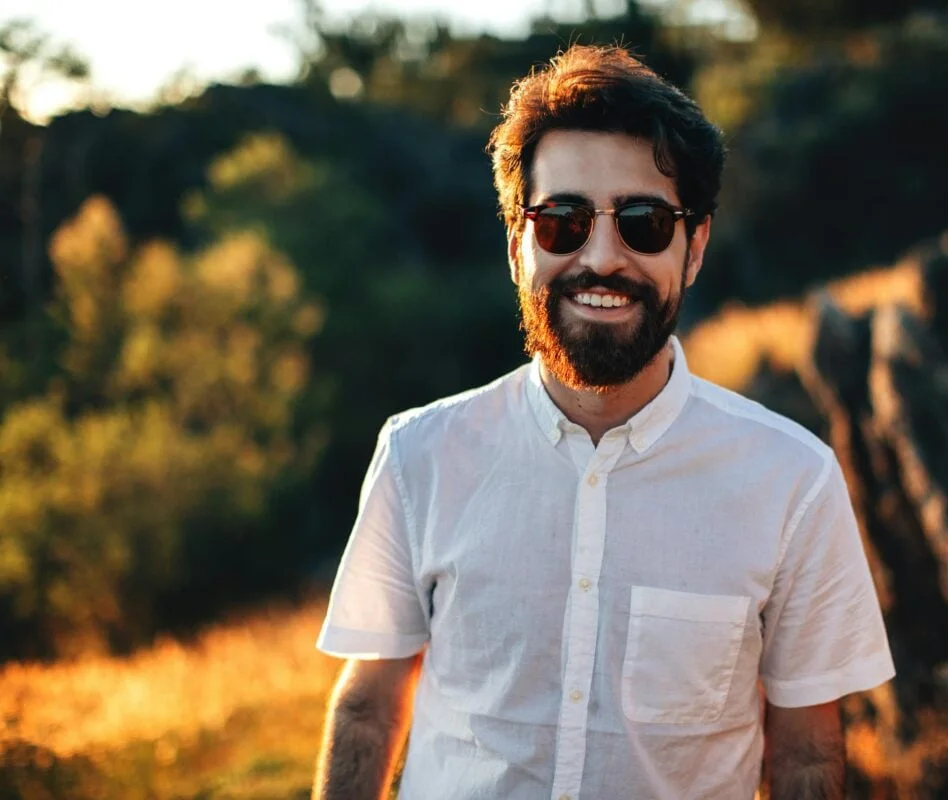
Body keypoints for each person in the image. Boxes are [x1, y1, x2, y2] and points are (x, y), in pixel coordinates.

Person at [311, 44, 894, 800]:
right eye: (563, 221)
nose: (602, 257)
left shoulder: (793, 482)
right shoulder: (420, 455)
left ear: (695, 248)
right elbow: (368, 706)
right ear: (517, 244)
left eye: (645, 222)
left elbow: (809, 754)